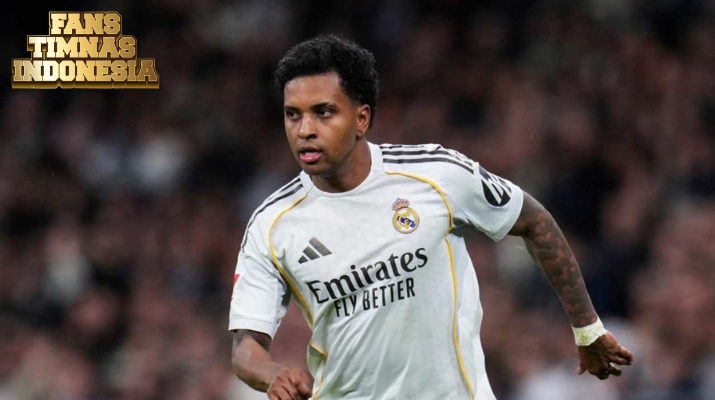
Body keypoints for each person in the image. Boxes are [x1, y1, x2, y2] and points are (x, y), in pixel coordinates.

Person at [228, 35, 634, 400]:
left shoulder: (435, 174)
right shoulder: (271, 224)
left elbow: (534, 220)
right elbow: (246, 345)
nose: (305, 130)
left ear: (361, 119)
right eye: (293, 115)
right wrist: (272, 374)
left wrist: (587, 329)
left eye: (323, 112)